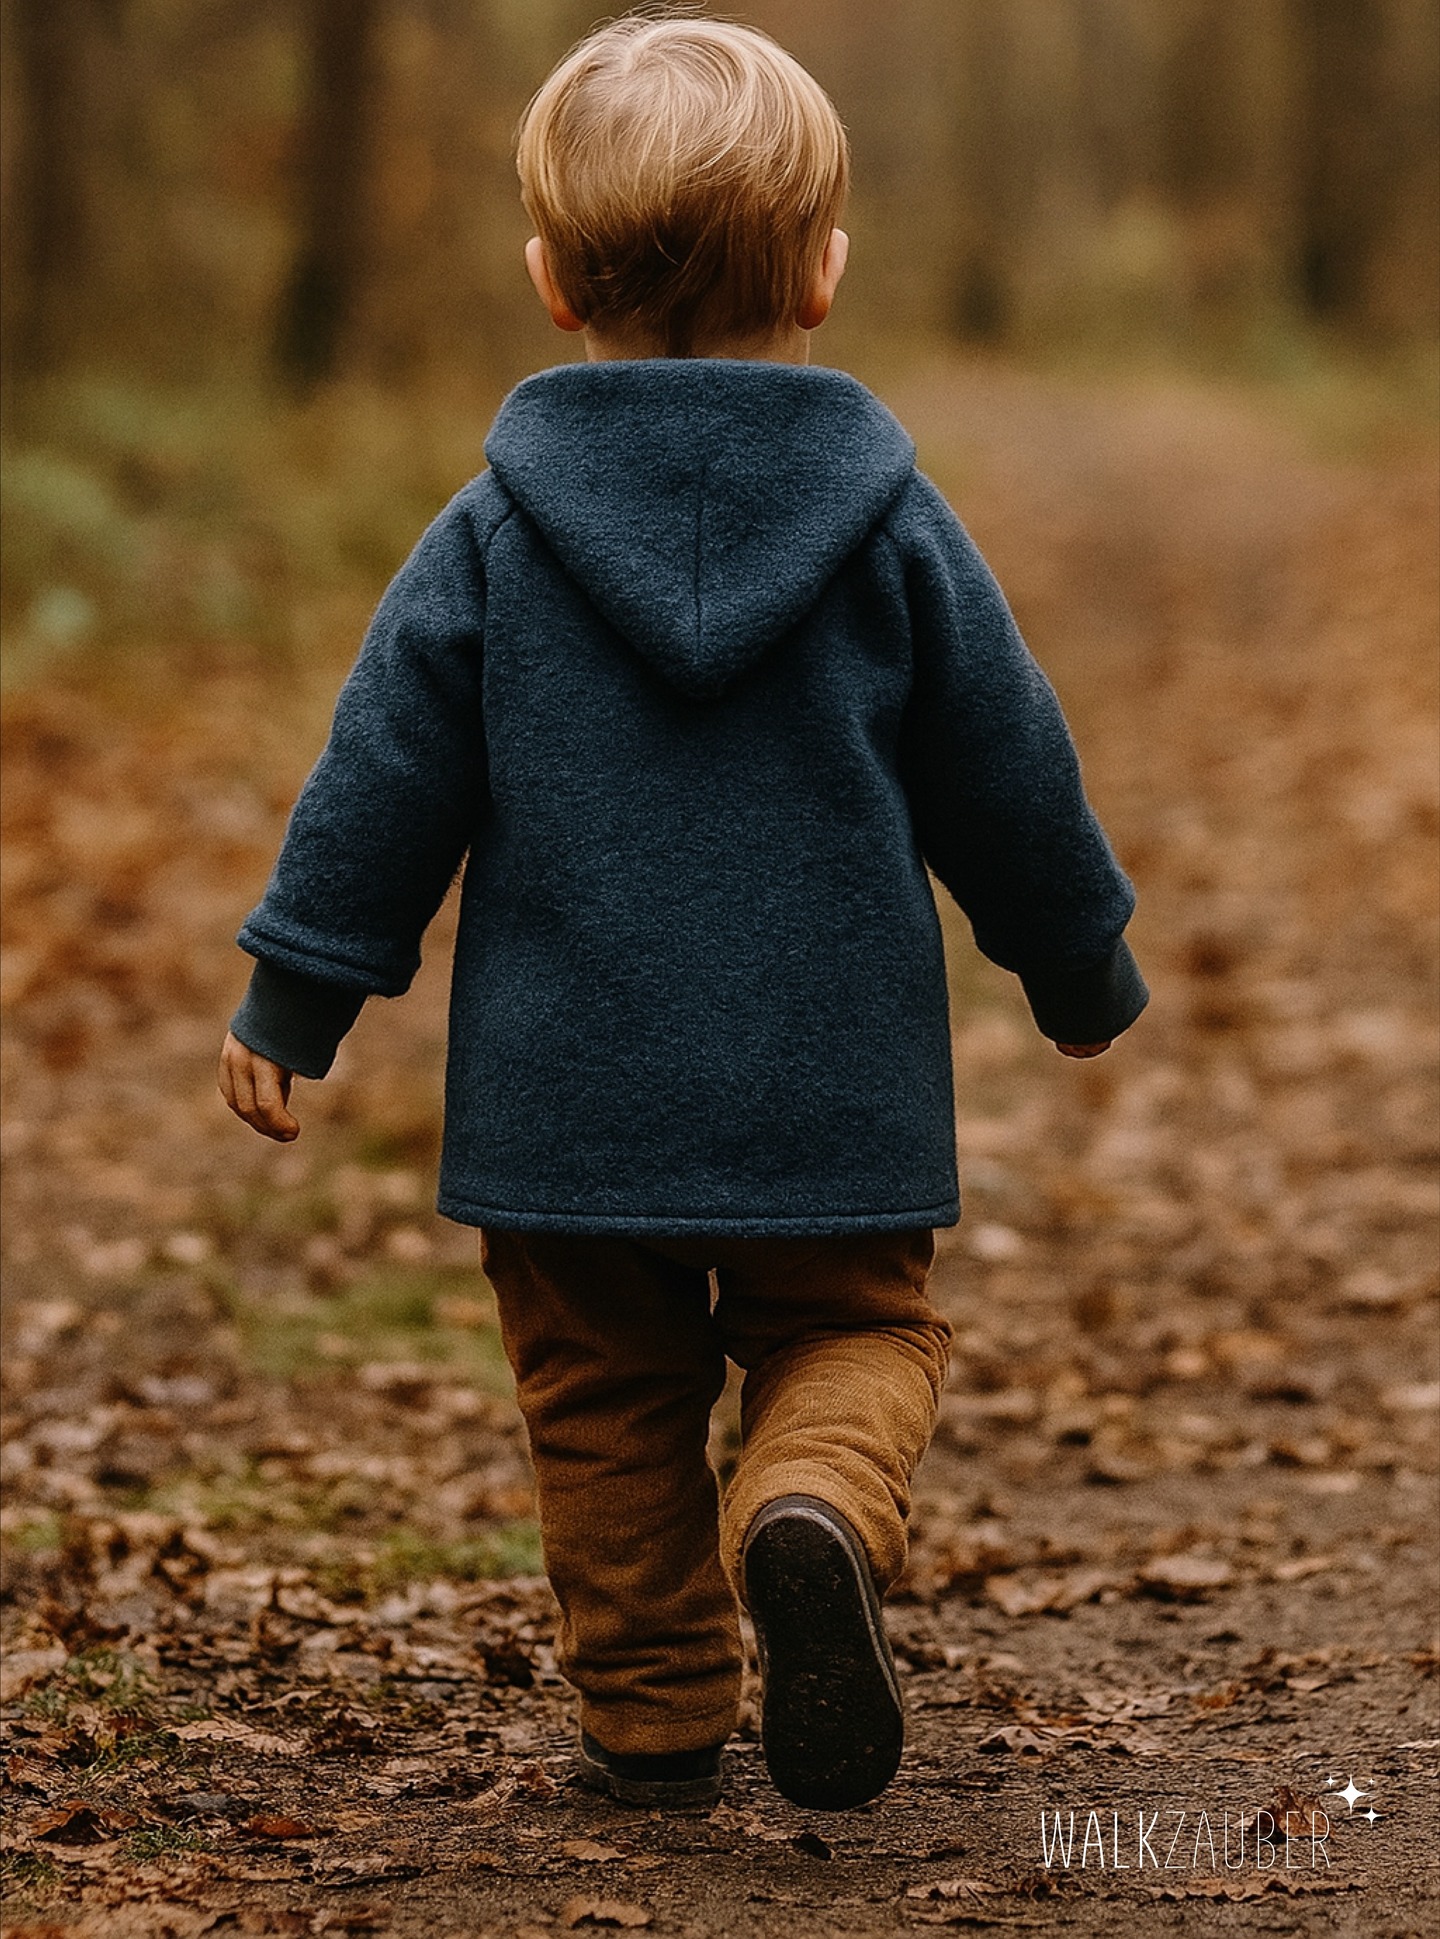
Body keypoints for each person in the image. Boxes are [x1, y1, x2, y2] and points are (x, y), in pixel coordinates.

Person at [219, 12, 1147, 1813]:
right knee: (852, 1333)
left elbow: (381, 780)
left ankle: (650, 1716)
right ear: (823, 274)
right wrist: (1075, 955)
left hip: (568, 1091)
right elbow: (1004, 764)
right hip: (834, 1086)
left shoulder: (490, 534)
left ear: (553, 281)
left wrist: (293, 998)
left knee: (603, 1393)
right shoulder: (892, 528)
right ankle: (806, 1505)